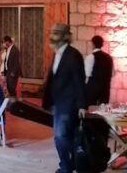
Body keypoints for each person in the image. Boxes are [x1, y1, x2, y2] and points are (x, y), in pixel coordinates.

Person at [42, 23, 86, 173]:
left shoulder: (73, 55)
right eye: (52, 32)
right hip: (58, 104)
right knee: (65, 136)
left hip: (68, 104)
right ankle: (71, 164)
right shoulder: (57, 54)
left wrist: (82, 105)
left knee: (60, 137)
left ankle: (67, 166)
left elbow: (79, 81)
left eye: (57, 33)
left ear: (66, 36)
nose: (53, 36)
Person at [85, 35, 113, 107]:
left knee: (91, 113)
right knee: (102, 113)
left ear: (93, 44)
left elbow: (87, 74)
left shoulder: (90, 57)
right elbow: (112, 74)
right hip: (105, 90)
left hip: (92, 91)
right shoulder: (109, 58)